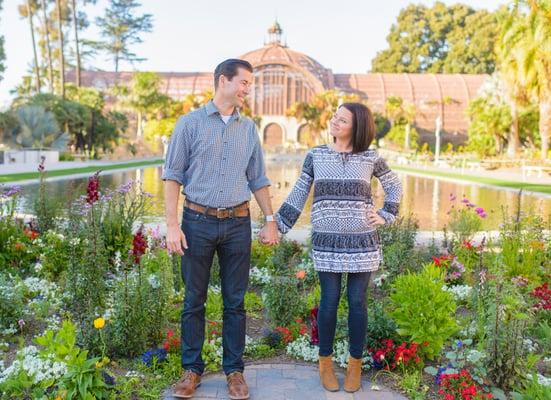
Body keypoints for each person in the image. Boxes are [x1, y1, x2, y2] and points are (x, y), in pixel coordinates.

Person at [163, 58, 279, 400]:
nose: (247, 89)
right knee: (193, 300)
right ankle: (192, 370)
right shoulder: (189, 124)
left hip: (238, 224)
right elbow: (172, 176)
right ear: (223, 81)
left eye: (249, 84)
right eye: (243, 83)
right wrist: (172, 225)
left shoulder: (249, 129)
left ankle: (235, 372)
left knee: (236, 302)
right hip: (196, 222)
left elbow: (257, 178)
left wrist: (270, 220)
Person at [275, 102, 402, 393]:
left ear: (356, 127)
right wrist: (278, 225)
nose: (334, 122)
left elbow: (395, 186)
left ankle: (355, 365)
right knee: (329, 301)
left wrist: (386, 214)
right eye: (335, 117)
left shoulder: (370, 157)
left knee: (357, 303)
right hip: (327, 241)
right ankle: (326, 364)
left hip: (362, 242)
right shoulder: (316, 155)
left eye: (342, 120)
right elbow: (299, 191)